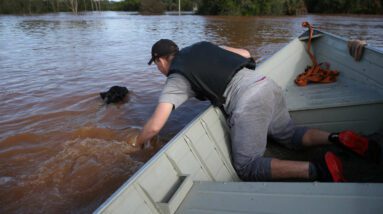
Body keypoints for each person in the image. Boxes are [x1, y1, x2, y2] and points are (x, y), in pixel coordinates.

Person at [129, 39, 381, 182]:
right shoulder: (201, 46)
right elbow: (245, 53)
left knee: (247, 166)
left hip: (247, 100)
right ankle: (338, 138)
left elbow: (154, 126)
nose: (159, 70)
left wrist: (136, 144)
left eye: (157, 65)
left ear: (161, 60)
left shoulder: (176, 77)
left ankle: (318, 170)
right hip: (265, 84)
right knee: (289, 134)